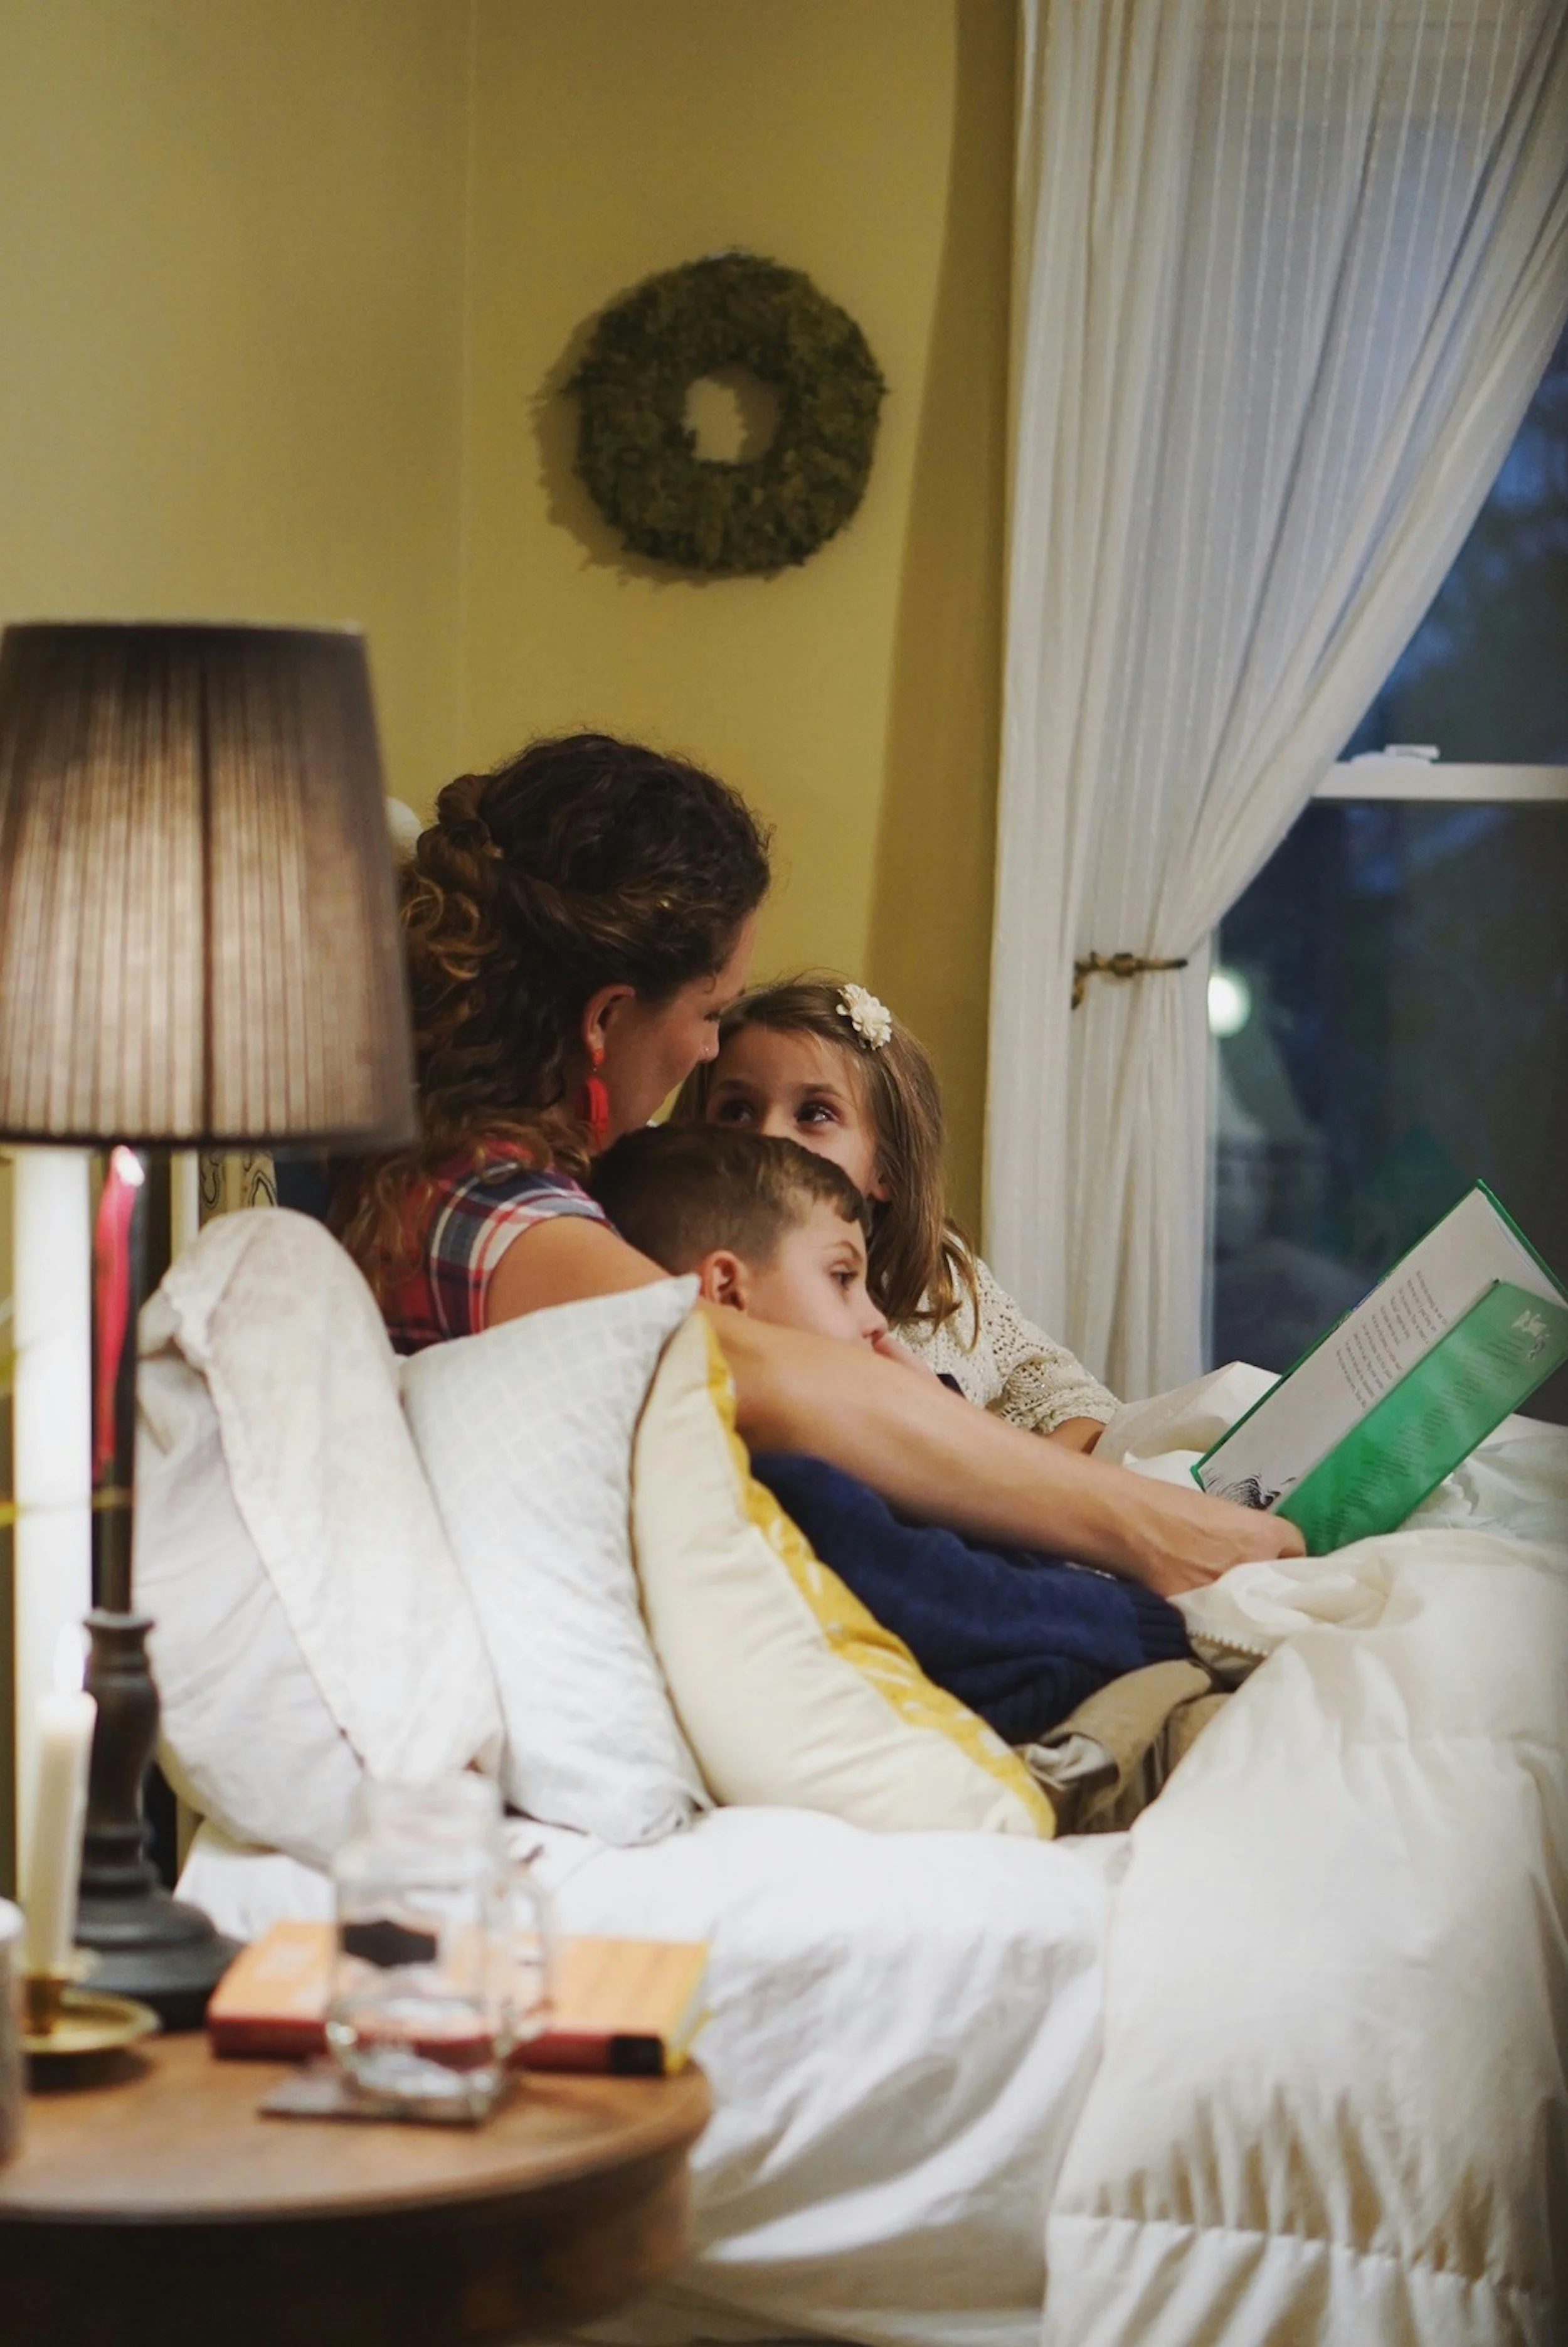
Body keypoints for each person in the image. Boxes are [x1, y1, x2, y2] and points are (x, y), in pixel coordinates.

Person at [334, 730, 1303, 1596]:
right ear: (606, 1019)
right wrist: (1151, 1529)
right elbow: (777, 1384)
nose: (707, 1051)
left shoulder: (493, 1173)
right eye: (711, 1014)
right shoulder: (486, 1208)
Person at [585, 1124, 1194, 1740]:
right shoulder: (782, 1479)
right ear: (727, 1291)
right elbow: (965, 1605)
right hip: (1048, 1709)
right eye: (842, 1278)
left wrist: (934, 1412)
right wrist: (1173, 1622)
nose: (874, 1319)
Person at [674, 976, 1115, 1450]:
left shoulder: (940, 1278)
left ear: (886, 1170)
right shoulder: (683, 1281)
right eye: (736, 1111)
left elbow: (1079, 1404)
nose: (768, 1137)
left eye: (815, 1114)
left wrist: (1004, 1469)